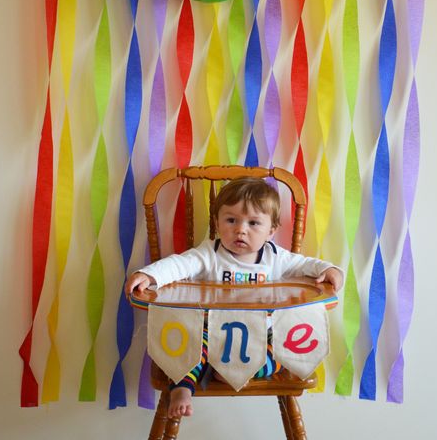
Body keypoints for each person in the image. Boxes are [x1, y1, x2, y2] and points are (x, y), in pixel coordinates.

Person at [125, 177, 343, 418]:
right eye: (231, 220)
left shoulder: (275, 257)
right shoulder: (209, 253)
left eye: (253, 223)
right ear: (217, 222)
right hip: (212, 332)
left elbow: (306, 265)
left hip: (261, 336)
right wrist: (149, 275)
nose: (241, 229)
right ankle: (182, 388)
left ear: (271, 231)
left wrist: (329, 270)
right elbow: (179, 265)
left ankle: (237, 370)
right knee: (189, 347)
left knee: (282, 353)